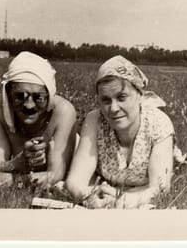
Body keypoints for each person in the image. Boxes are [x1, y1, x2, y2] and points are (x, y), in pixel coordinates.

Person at [66, 55, 174, 209]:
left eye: (121, 97)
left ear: (139, 95)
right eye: (106, 100)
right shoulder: (95, 120)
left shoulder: (158, 123)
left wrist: (121, 201)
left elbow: (160, 189)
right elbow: (75, 181)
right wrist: (91, 196)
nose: (113, 108)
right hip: (104, 192)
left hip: (134, 196)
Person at [0, 51, 77, 188]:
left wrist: (13, 180)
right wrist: (17, 164)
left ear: (49, 97)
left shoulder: (63, 111)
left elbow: (55, 175)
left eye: (38, 98)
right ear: (8, 95)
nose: (29, 105)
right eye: (19, 97)